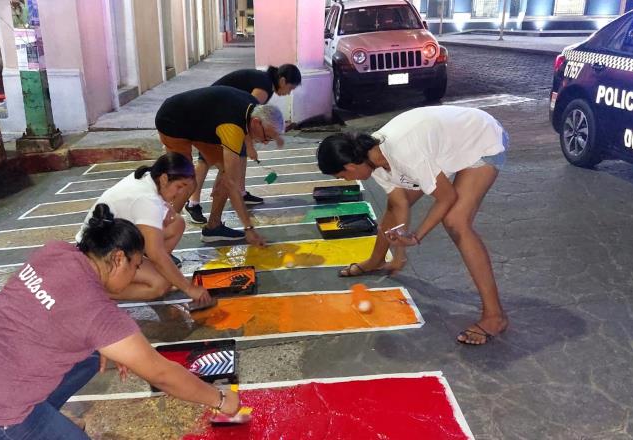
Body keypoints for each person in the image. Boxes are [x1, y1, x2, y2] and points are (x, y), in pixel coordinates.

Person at [0, 204, 240, 439]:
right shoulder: (97, 314)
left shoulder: (54, 251)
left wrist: (106, 344)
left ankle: (44, 414)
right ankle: (32, 421)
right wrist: (219, 399)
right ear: (118, 258)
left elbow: (61, 306)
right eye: (135, 266)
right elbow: (161, 374)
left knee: (92, 354)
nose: (135, 275)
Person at [316, 106, 510, 346]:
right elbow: (399, 206)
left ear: (350, 166)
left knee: (456, 222)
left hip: (482, 138)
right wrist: (399, 254)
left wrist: (416, 236)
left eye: (340, 176)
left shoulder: (403, 154)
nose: (344, 180)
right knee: (395, 202)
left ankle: (495, 315)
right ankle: (376, 260)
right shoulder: (372, 159)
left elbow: (446, 197)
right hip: (447, 147)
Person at [155, 85, 285, 245]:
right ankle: (157, 238)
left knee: (226, 172)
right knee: (186, 182)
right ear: (257, 123)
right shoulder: (233, 128)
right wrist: (249, 229)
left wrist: (250, 147)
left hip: (199, 124)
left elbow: (229, 175)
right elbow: (232, 185)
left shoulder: (254, 108)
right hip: (172, 121)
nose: (265, 142)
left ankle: (213, 227)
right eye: (267, 137)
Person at [76, 153, 210, 303]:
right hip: (96, 251)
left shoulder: (149, 176)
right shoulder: (147, 200)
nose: (180, 193)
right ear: (164, 178)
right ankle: (99, 290)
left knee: (176, 224)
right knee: (161, 284)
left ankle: (145, 272)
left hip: (115, 237)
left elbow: (164, 217)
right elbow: (157, 255)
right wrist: (189, 288)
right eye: (179, 186)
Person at [185, 64, 302, 223]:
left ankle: (240, 192)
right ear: (282, 80)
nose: (289, 92)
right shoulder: (264, 88)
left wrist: (247, 146)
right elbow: (246, 118)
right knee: (206, 159)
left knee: (240, 152)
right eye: (291, 87)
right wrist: (250, 146)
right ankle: (193, 203)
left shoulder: (265, 82)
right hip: (210, 114)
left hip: (220, 112)